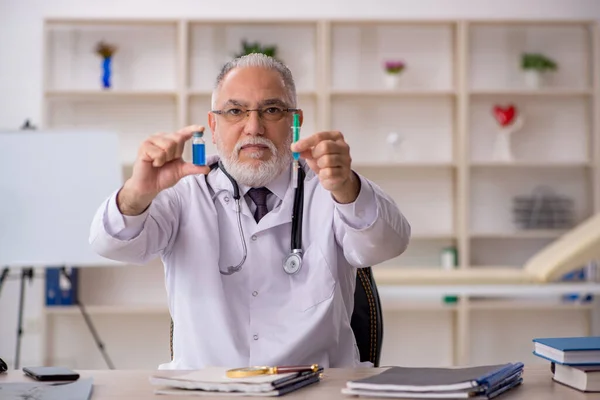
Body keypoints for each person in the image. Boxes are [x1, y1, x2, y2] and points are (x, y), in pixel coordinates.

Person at [89, 53, 411, 370]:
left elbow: (389, 242)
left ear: (295, 122)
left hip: (316, 392)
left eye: (271, 109)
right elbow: (110, 244)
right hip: (208, 394)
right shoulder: (184, 193)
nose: (253, 127)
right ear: (213, 126)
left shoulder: (330, 188)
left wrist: (348, 187)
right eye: (235, 111)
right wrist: (135, 194)